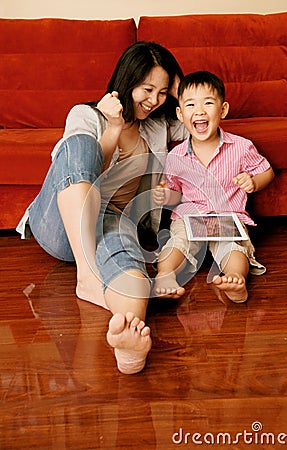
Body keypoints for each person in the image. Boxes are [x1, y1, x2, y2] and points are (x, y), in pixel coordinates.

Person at [16, 41, 188, 374]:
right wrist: (112, 128)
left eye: (163, 92)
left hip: (113, 220)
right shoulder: (86, 114)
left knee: (133, 272)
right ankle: (88, 273)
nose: (154, 100)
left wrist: (179, 86)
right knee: (79, 145)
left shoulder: (159, 124)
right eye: (147, 89)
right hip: (62, 224)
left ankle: (129, 343)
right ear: (127, 80)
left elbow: (199, 116)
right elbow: (75, 170)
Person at [152, 70, 274, 304]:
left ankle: (236, 280)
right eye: (190, 105)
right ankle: (165, 276)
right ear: (179, 113)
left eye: (208, 103)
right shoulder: (176, 155)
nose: (199, 111)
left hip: (227, 215)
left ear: (223, 109)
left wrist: (254, 182)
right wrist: (165, 196)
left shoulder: (241, 147)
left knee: (234, 247)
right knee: (177, 242)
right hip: (190, 217)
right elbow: (175, 194)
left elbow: (266, 171)